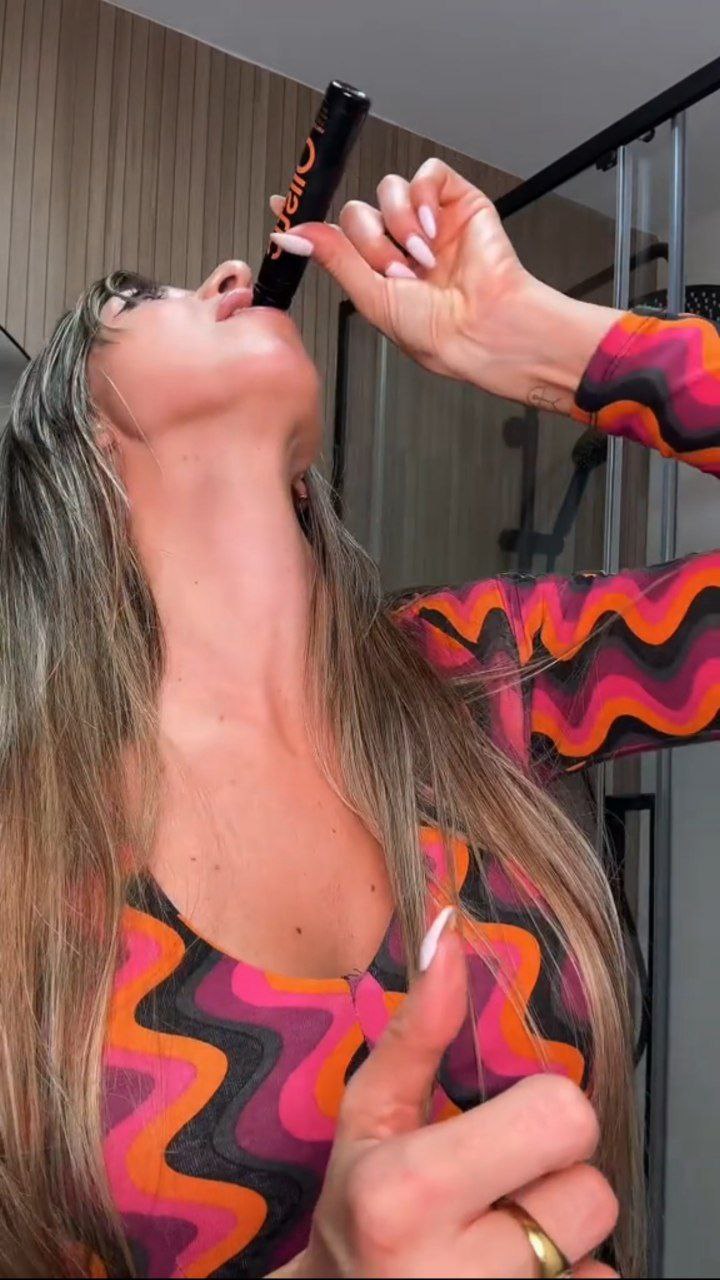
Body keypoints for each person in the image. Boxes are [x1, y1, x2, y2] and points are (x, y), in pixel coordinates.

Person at [0, 157, 717, 1279]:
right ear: (80, 442)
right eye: (137, 299)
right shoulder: (25, 847)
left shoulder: (477, 671)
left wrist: (553, 346)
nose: (232, 271)